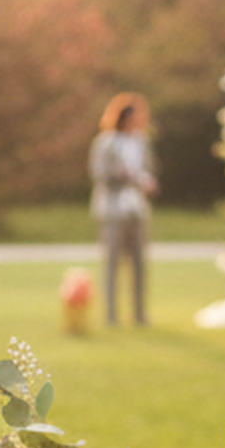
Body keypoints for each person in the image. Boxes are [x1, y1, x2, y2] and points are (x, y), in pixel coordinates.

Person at [88, 93, 157, 325]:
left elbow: (147, 169)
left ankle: (139, 314)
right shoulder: (106, 142)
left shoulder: (141, 141)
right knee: (112, 264)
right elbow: (98, 173)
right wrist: (123, 176)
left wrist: (147, 182)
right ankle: (111, 315)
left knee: (139, 265)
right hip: (112, 211)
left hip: (137, 210)